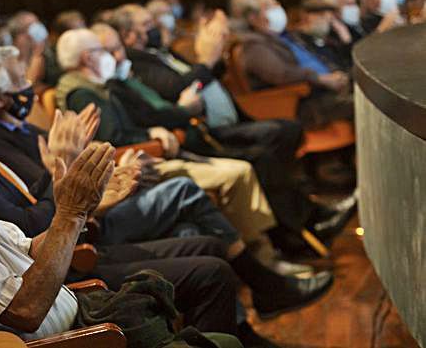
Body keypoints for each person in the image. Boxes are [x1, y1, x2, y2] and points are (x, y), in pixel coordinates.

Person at [0, 61, 332, 348]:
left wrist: (86, 193)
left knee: (199, 240)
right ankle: (263, 294)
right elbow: (32, 243)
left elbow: (24, 232)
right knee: (204, 247)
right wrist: (74, 190)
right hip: (72, 269)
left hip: (69, 255)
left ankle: (251, 315)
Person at [0, 109, 249, 348]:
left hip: (86, 320)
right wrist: (70, 214)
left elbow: (31, 248)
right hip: (76, 342)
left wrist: (82, 208)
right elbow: (27, 311)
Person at [56, 28, 354, 247]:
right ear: (87, 57)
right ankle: (284, 241)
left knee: (274, 140)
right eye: (106, 50)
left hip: (176, 134)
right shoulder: (86, 91)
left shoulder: (107, 82)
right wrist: (156, 132)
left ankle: (300, 226)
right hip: (163, 147)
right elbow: (114, 137)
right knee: (256, 159)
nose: (114, 56)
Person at [237, 0, 352, 128]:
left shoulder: (284, 36)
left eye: (276, 4)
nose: (276, 9)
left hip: (324, 91)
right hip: (302, 102)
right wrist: (320, 79)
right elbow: (281, 74)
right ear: (253, 18)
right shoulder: (254, 45)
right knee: (362, 105)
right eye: (268, 7)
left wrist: (335, 75)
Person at [290, 0, 354, 72]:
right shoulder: (296, 41)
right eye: (321, 15)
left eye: (330, 15)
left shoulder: (330, 41)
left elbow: (347, 63)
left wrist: (346, 41)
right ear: (305, 17)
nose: (327, 20)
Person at [7, 11, 52, 84]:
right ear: (19, 35)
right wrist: (37, 55)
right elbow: (28, 84)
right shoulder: (9, 60)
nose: (38, 28)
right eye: (32, 26)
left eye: (38, 23)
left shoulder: (47, 53)